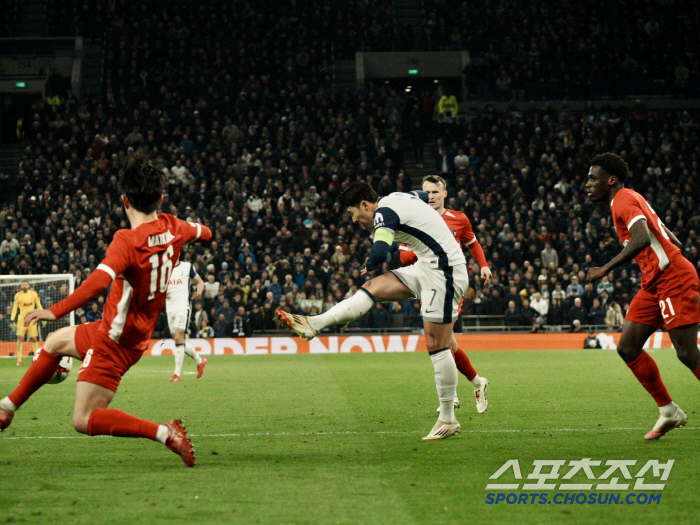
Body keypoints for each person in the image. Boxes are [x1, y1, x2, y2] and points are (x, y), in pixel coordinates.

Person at [0, 151, 212, 466]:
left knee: (83, 419)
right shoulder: (176, 227)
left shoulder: (127, 241)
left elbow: (98, 284)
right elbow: (205, 233)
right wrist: (176, 242)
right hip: (123, 331)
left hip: (113, 342)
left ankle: (164, 433)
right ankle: (7, 407)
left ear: (125, 200)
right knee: (56, 342)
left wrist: (53, 310)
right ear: (161, 198)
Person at [277, 182, 469, 440]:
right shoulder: (400, 196)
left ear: (365, 205)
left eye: (353, 213)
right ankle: (313, 323)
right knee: (372, 288)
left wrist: (371, 262)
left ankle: (448, 419)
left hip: (444, 272)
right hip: (428, 265)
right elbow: (423, 195)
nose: (354, 219)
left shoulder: (383, 211)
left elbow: (380, 248)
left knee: (437, 343)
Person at [585, 152, 700, 440]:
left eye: (593, 178)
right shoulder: (625, 200)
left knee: (687, 353)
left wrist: (605, 268)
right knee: (628, 348)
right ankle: (669, 411)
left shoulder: (623, 199)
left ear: (611, 180)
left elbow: (641, 238)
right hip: (655, 283)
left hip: (673, 278)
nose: (587, 184)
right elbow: (673, 239)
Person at [399, 175, 491, 414]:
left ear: (444, 194)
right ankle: (476, 382)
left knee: (441, 341)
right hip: (428, 285)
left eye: (435, 192)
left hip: (450, 286)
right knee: (446, 341)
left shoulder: (458, 219)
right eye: (426, 191)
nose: (430, 196)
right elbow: (404, 258)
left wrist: (483, 264)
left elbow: (473, 243)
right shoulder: (414, 221)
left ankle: (453, 397)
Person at [165, 256, 207, 382]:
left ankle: (177, 374)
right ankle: (200, 361)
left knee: (178, 337)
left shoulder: (187, 267)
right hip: (169, 308)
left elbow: (200, 282)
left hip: (183, 307)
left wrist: (199, 291)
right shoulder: (163, 269)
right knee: (179, 340)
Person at [10, 280, 43, 366]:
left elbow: (38, 304)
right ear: (21, 286)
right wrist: (12, 319)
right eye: (23, 285)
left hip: (32, 318)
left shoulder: (34, 294)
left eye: (26, 284)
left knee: (34, 339)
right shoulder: (18, 295)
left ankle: (37, 358)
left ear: (29, 286)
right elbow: (15, 307)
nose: (24, 286)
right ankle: (19, 360)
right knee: (20, 338)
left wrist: (43, 314)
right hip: (22, 319)